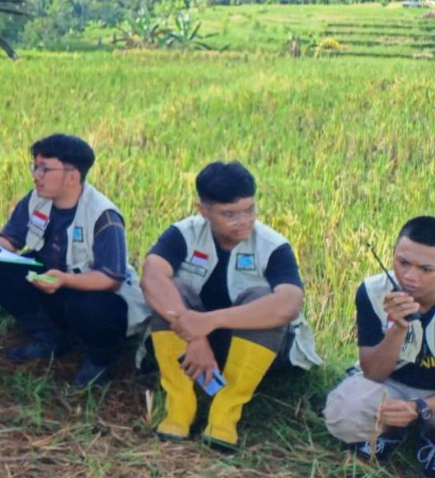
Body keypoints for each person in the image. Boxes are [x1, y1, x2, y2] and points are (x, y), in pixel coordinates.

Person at [142, 161, 320, 448]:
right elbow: (151, 276)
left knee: (264, 299)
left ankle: (225, 414)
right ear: (204, 211)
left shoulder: (273, 245)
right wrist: (196, 334)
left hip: (257, 348)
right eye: (229, 214)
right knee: (171, 290)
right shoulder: (183, 233)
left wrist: (210, 321)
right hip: (192, 342)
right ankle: (180, 405)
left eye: (250, 209)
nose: (244, 221)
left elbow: (288, 304)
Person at [0, 134, 149, 388]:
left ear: (72, 176)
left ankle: (99, 359)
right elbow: (11, 239)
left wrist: (66, 280)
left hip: (91, 293)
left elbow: (111, 278)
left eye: (44, 169)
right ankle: (49, 337)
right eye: (35, 166)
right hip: (49, 280)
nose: (36, 175)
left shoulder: (104, 216)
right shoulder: (35, 199)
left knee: (92, 307)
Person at [325, 216, 435, 471]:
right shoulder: (373, 291)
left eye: (426, 269)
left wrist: (420, 408)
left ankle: (425, 435)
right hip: (391, 386)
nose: (409, 277)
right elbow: (373, 373)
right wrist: (397, 327)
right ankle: (392, 432)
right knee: (344, 411)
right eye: (403, 262)